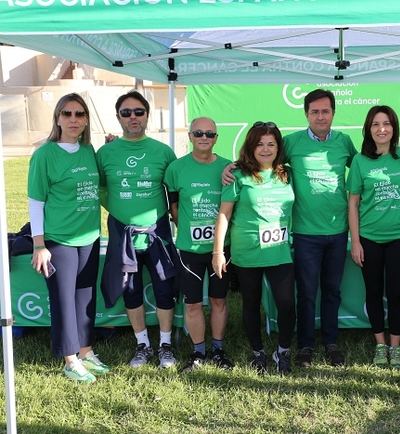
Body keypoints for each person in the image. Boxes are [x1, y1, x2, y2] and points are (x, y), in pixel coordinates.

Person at [222, 89, 356, 367]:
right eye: (315, 111)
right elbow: (260, 155)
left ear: (333, 113)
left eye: (326, 111)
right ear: (306, 114)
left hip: (337, 229)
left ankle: (331, 342)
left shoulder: (345, 142)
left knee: (332, 291)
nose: (321, 116)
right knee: (306, 293)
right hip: (306, 233)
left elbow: (362, 165)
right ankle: (305, 346)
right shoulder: (292, 143)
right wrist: (232, 166)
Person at [28, 93, 108, 383]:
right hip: (58, 239)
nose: (73, 120)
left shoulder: (89, 150)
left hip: (88, 236)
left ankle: (86, 351)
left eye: (79, 114)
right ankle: (70, 359)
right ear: (58, 119)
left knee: (85, 296)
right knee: (63, 299)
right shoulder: (45, 155)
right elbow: (36, 201)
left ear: (86, 120)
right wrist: (40, 245)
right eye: (67, 114)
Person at [96, 90, 178, 369]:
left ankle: (165, 344)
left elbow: (174, 190)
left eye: (138, 112)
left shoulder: (163, 152)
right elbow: (100, 187)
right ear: (118, 117)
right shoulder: (105, 152)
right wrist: (119, 212)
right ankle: (142, 344)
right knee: (130, 289)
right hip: (123, 233)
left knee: (164, 287)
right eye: (126, 113)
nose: (133, 117)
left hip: (158, 231)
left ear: (147, 115)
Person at [212, 122, 295, 375]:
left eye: (271, 144)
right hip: (247, 251)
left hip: (280, 251)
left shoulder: (288, 174)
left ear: (279, 147)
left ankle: (282, 351)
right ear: (251, 146)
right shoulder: (237, 175)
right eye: (259, 144)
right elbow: (224, 214)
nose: (266, 149)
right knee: (251, 303)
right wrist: (218, 252)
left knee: (287, 304)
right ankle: (257, 352)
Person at [347, 105, 400, 369]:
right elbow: (352, 203)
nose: (381, 129)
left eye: (386, 123)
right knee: (373, 292)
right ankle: (379, 344)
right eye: (375, 124)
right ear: (368, 129)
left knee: (396, 293)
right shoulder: (360, 162)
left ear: (394, 127)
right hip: (369, 239)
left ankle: (395, 347)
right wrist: (356, 241)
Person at [164, 117, 234, 372]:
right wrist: (182, 223)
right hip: (189, 249)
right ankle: (198, 352)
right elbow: (172, 203)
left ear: (216, 138)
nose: (204, 137)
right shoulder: (176, 168)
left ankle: (218, 349)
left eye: (209, 134)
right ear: (190, 136)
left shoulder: (228, 167)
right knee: (192, 303)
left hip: (220, 249)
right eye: (199, 133)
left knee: (219, 300)